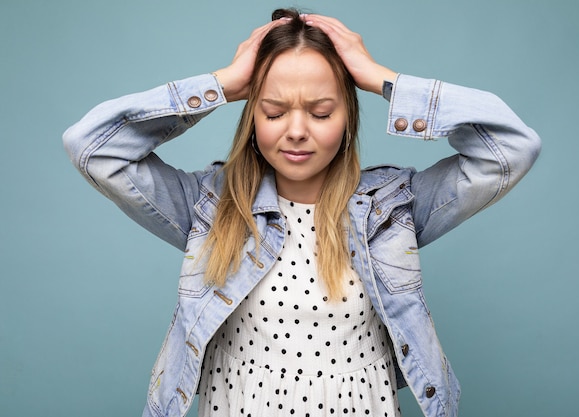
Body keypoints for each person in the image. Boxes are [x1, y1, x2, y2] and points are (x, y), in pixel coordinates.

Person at [63, 8, 541, 417]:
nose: (296, 131)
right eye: (273, 112)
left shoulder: (393, 208)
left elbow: (510, 148)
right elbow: (92, 147)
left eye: (320, 111)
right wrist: (222, 85)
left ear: (347, 117)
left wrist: (378, 78)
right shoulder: (209, 207)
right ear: (252, 116)